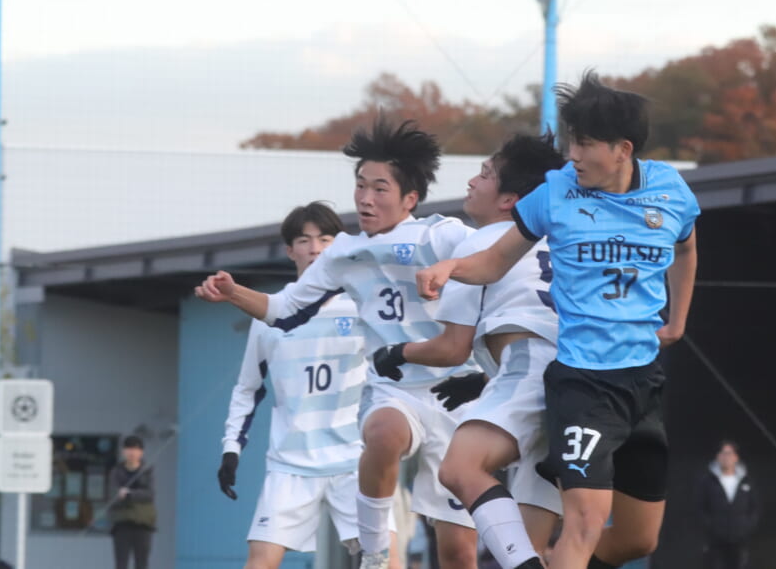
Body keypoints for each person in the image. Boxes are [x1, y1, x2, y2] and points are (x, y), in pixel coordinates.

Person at [416, 71, 701, 569]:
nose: (572, 155)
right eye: (571, 140)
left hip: (643, 382)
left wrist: (677, 321)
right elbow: (494, 262)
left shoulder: (670, 190)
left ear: (623, 149)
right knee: (585, 523)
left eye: (584, 144)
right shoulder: (555, 193)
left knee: (637, 540)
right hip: (583, 384)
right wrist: (450, 268)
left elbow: (686, 247)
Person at [195, 118, 479, 569]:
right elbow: (283, 309)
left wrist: (452, 269)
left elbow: (496, 259)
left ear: (409, 198)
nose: (365, 198)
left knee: (459, 553)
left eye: (380, 188)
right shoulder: (343, 253)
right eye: (360, 185)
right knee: (382, 433)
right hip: (394, 392)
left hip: (454, 393)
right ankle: (375, 549)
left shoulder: (441, 235)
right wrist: (233, 292)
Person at [373, 133, 566, 569]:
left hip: (527, 367)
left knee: (459, 469)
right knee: (529, 541)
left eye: (485, 174)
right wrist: (484, 379)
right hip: (573, 380)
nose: (472, 181)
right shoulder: (558, 243)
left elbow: (451, 348)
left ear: (509, 201)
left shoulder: (480, 243)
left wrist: (398, 352)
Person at [217, 202, 400, 569]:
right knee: (259, 562)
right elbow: (248, 389)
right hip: (290, 465)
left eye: (325, 239)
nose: (315, 248)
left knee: (386, 563)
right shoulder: (268, 313)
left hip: (355, 462)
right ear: (290, 250)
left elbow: (397, 366)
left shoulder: (363, 305)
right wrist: (231, 449)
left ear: (338, 246)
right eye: (304, 240)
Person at [698, 440, 759, 569]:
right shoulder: (707, 482)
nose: (726, 457)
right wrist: (713, 527)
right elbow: (701, 508)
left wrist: (745, 527)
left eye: (729, 453)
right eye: (723, 453)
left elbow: (755, 508)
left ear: (736, 457)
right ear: (717, 456)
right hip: (716, 542)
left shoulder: (746, 481)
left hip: (740, 541)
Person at [108, 435, 156, 569]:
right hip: (122, 524)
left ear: (141, 452)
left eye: (135, 449)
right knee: (121, 563)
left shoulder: (147, 471)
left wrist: (130, 494)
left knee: (141, 563)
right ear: (123, 451)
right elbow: (112, 494)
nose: (132, 452)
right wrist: (119, 495)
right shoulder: (116, 472)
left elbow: (149, 494)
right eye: (129, 448)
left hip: (143, 524)